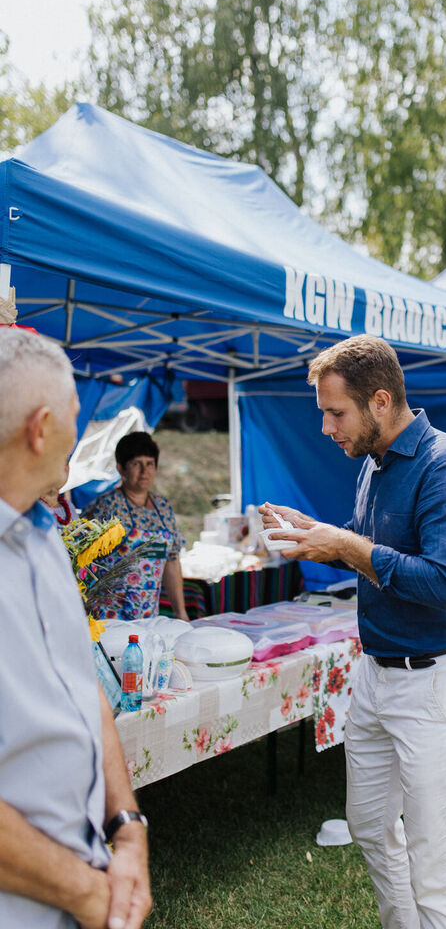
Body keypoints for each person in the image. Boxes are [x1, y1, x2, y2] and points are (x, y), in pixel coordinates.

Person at [260, 334, 446, 929]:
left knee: (435, 861)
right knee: (368, 824)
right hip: (377, 673)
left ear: (381, 401)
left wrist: (346, 544)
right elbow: (374, 548)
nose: (325, 427)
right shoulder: (374, 464)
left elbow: (442, 583)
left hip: (440, 680)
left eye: (335, 412)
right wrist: (318, 535)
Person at [0, 327, 152, 929]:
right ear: (41, 430)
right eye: (73, 414)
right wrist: (87, 895)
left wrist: (128, 830)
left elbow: (85, 689)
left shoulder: (44, 540)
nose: (81, 429)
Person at [82, 431, 189, 621]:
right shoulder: (107, 507)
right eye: (136, 464)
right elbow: (84, 562)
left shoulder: (163, 507)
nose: (144, 471)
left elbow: (172, 560)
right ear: (121, 469)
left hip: (149, 616)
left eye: (149, 464)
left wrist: (180, 612)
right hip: (109, 617)